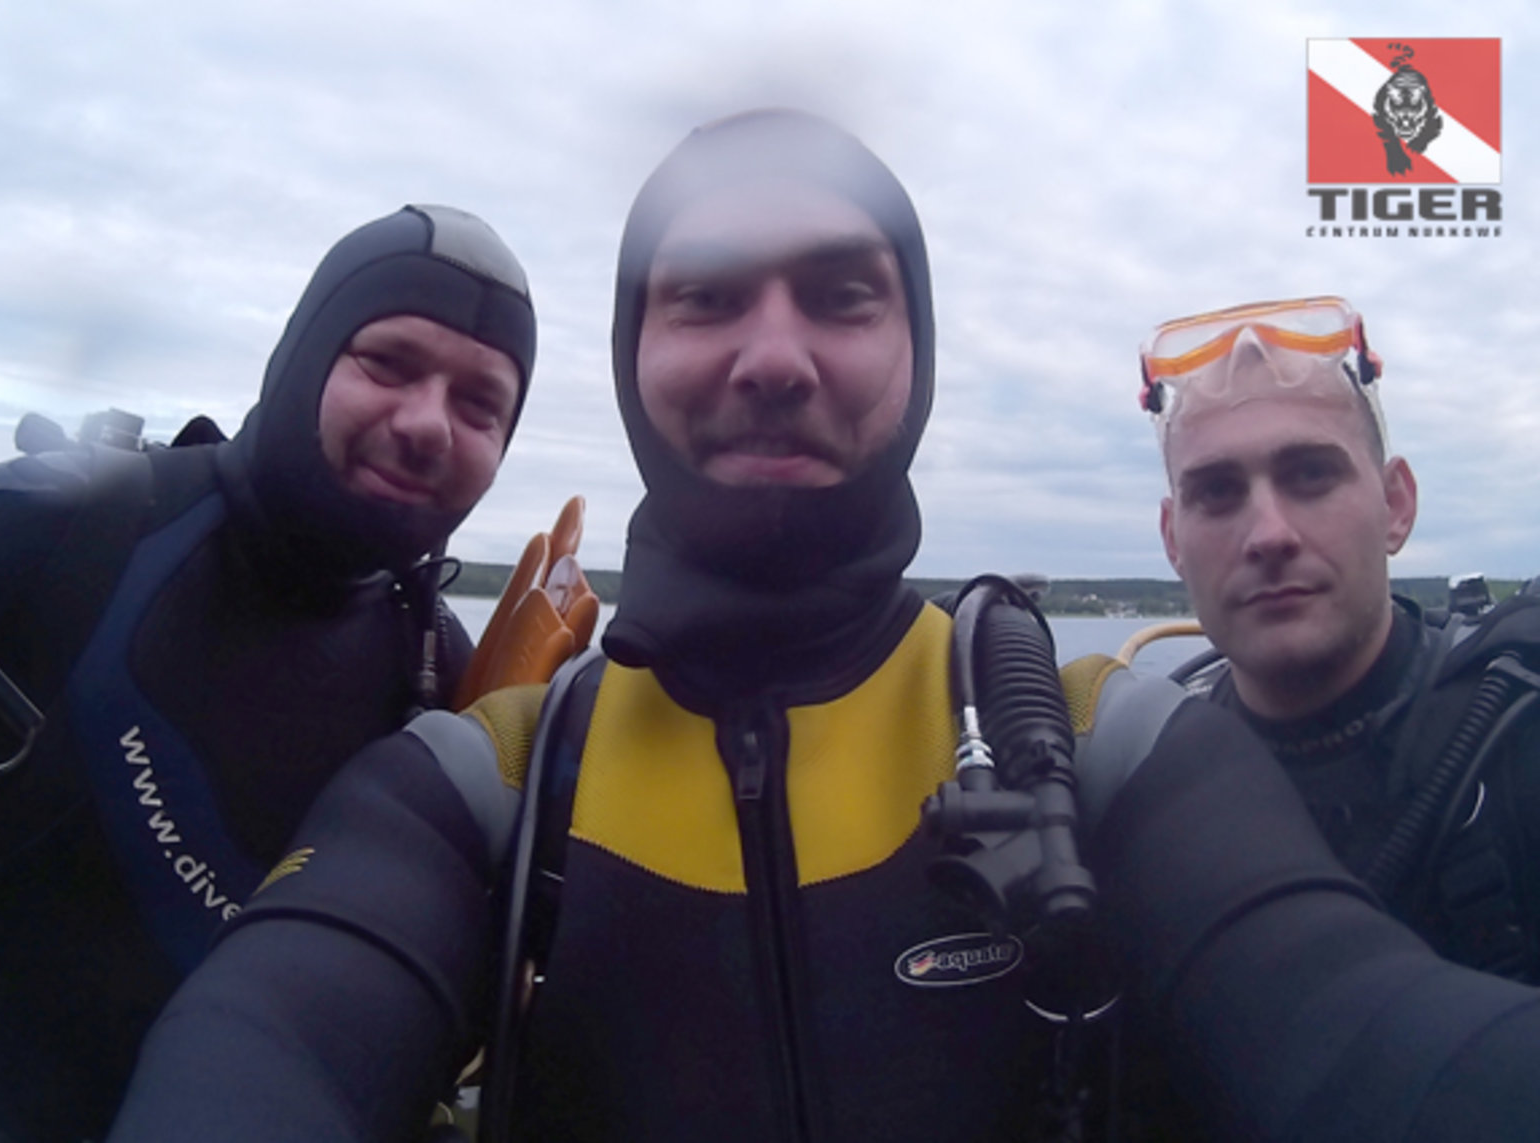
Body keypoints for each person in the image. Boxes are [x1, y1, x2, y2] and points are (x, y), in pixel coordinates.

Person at [109, 116, 1540, 1143]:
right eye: (706, 297)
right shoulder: (491, 780)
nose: (775, 355)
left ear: (916, 354)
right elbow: (272, 1040)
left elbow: (1349, 1014)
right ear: (633, 356)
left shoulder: (1094, 738)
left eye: (844, 296)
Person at [0, 203, 537, 1142]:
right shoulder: (52, 528)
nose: (429, 423)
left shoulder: (444, 683)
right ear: (303, 356)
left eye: (480, 404)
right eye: (388, 362)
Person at [1149, 296, 1540, 979]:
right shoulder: (1145, 787)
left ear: (1396, 505)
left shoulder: (1516, 736)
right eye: (1217, 492)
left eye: (1311, 475)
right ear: (1172, 540)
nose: (1270, 534)